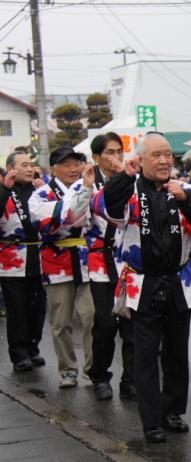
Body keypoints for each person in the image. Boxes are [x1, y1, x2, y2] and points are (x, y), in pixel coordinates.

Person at [93, 132, 191, 443]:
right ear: (140, 160)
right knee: (144, 354)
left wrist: (188, 199)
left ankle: (173, 411)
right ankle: (151, 420)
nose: (164, 160)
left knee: (176, 350)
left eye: (168, 154)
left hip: (179, 280)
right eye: (155, 155)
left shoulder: (183, 190)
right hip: (142, 282)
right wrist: (124, 175)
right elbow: (102, 206)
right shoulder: (128, 192)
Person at [29, 148, 95, 389]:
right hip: (56, 261)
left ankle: (92, 367)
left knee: (92, 316)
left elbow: (98, 220)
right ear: (54, 168)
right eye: (66, 164)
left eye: (76, 163)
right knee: (61, 320)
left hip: (86, 259)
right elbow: (46, 225)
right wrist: (75, 204)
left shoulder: (88, 187)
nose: (74, 169)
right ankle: (68, 369)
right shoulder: (41, 195)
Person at [86, 133, 136, 401]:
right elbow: (75, 217)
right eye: (109, 152)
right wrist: (85, 192)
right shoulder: (88, 183)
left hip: (129, 261)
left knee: (131, 323)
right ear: (96, 157)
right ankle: (100, 374)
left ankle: (130, 379)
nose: (116, 157)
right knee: (105, 322)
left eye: (119, 151)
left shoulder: (134, 181)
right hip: (101, 263)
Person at [0, 151, 47, 372]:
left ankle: (33, 347)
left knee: (36, 306)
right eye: (24, 165)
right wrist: (5, 190)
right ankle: (19, 354)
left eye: (31, 164)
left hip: (38, 255)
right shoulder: (4, 191)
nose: (30, 169)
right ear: (11, 168)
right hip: (12, 258)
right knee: (17, 308)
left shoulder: (39, 190)